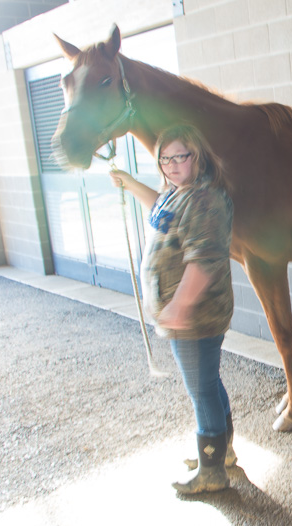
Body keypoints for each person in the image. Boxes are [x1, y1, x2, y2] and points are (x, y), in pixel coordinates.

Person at [110, 124, 236, 495]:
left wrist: (179, 308)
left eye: (181, 156)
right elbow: (159, 210)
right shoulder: (178, 194)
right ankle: (222, 452)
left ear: (198, 156)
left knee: (201, 391)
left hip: (196, 318)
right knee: (208, 384)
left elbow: (204, 261)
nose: (172, 165)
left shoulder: (205, 199)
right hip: (189, 316)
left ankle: (212, 471)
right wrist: (130, 183)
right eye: (165, 158)